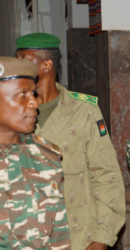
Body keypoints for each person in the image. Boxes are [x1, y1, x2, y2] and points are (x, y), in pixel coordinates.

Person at [16, 33, 125, 250]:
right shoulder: (11, 113)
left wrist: (101, 239)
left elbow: (106, 176)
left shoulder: (84, 111)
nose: (17, 68)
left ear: (46, 65)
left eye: (23, 61)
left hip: (77, 238)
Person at [0, 56, 70, 249]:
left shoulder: (46, 156)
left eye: (33, 93)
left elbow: (58, 237)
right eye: (22, 94)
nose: (34, 103)